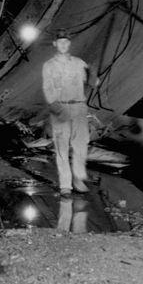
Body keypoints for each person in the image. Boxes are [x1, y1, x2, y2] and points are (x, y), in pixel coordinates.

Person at [41, 30, 97, 195]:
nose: (63, 44)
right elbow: (48, 89)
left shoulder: (79, 63)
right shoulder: (49, 65)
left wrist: (93, 73)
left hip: (79, 108)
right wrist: (58, 109)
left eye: (66, 42)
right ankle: (66, 185)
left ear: (69, 44)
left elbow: (93, 83)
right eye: (60, 42)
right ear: (55, 44)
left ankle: (78, 177)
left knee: (81, 145)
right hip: (60, 108)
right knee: (61, 147)